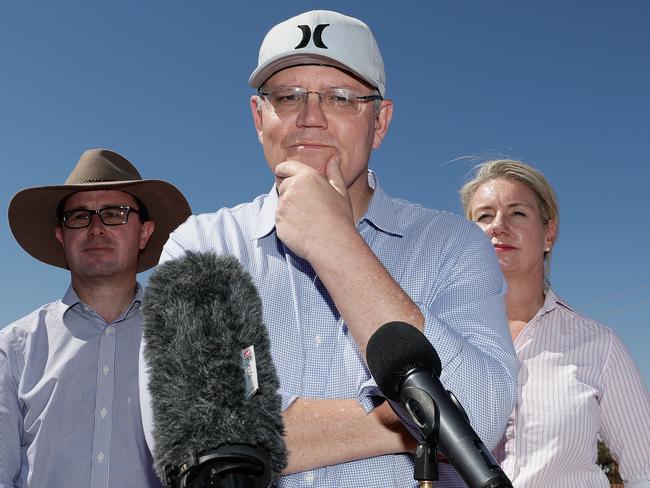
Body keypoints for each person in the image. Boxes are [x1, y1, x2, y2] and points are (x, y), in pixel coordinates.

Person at [140, 10, 519, 487]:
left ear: (379, 122)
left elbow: (479, 419)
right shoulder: (202, 247)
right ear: (259, 117)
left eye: (341, 98)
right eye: (287, 96)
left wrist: (338, 244)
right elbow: (189, 442)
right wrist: (407, 424)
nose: (310, 117)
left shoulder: (453, 246)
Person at [0, 149, 191, 487]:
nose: (96, 228)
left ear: (144, 233)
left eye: (115, 213)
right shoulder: (14, 349)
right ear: (62, 236)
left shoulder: (186, 344)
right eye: (79, 216)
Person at [460, 159, 650, 487]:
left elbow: (644, 471)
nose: (498, 226)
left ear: (549, 233)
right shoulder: (438, 338)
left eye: (517, 213)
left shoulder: (600, 345)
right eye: (485, 216)